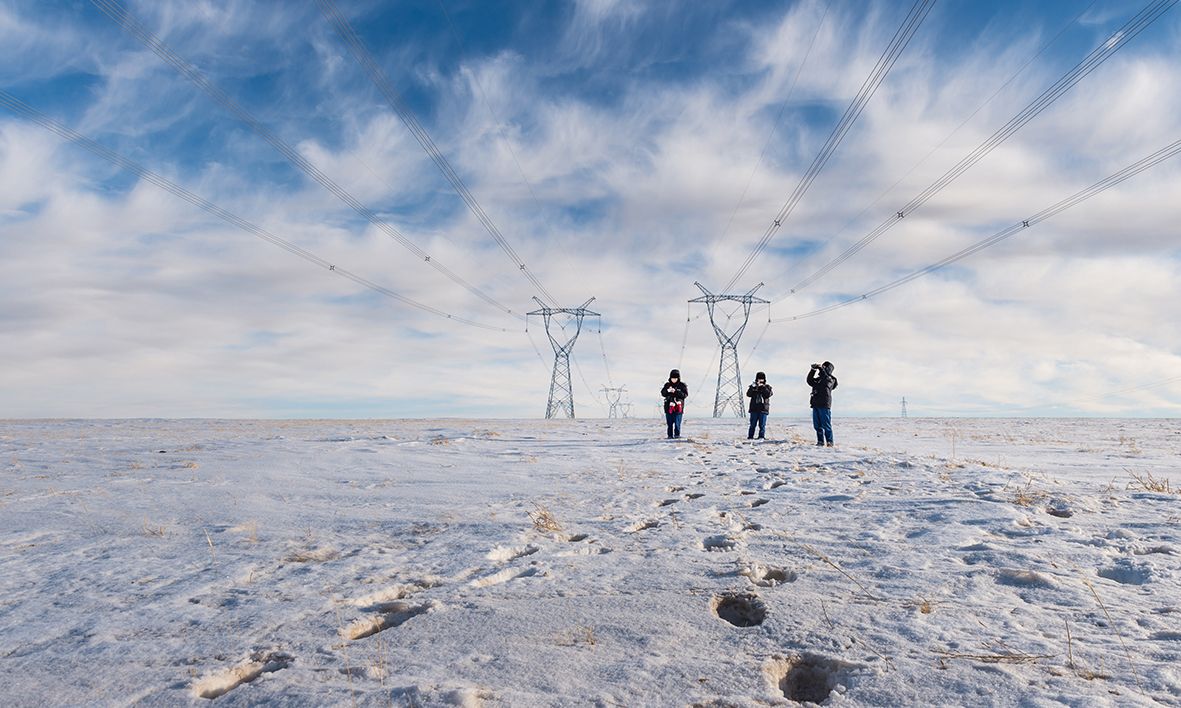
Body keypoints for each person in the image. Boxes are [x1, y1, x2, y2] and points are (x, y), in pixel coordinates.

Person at [807, 361, 837, 446]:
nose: (822, 368)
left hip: (824, 404)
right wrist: (813, 370)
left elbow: (825, 380)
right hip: (815, 404)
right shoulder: (818, 380)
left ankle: (829, 441)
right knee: (817, 425)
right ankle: (820, 441)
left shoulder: (831, 379)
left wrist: (820, 369)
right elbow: (809, 381)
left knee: (826, 424)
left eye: (824, 367)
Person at [660, 369, 688, 439]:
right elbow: (663, 393)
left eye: (675, 378)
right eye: (672, 378)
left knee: (677, 423)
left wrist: (675, 392)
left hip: (678, 408)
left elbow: (685, 395)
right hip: (668, 407)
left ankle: (677, 435)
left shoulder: (682, 385)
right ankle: (669, 435)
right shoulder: (667, 385)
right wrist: (668, 391)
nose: (674, 380)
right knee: (669, 423)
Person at [746, 372, 773, 440]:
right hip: (754, 408)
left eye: (762, 379)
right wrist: (752, 387)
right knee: (752, 424)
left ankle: (761, 437)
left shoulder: (767, 387)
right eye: (759, 379)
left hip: (763, 409)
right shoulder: (753, 386)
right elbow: (748, 394)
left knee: (762, 425)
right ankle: (750, 437)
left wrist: (763, 387)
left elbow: (768, 394)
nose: (760, 381)